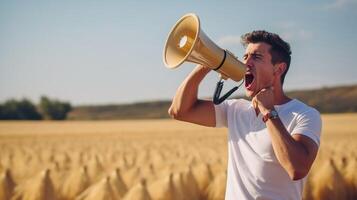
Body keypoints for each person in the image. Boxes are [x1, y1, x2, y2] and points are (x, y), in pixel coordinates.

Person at [168, 30, 322, 199]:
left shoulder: (304, 115)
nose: (246, 62)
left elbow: (297, 168)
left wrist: (268, 112)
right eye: (245, 56)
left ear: (279, 68)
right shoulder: (235, 110)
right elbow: (179, 111)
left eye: (256, 57)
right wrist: (208, 63)